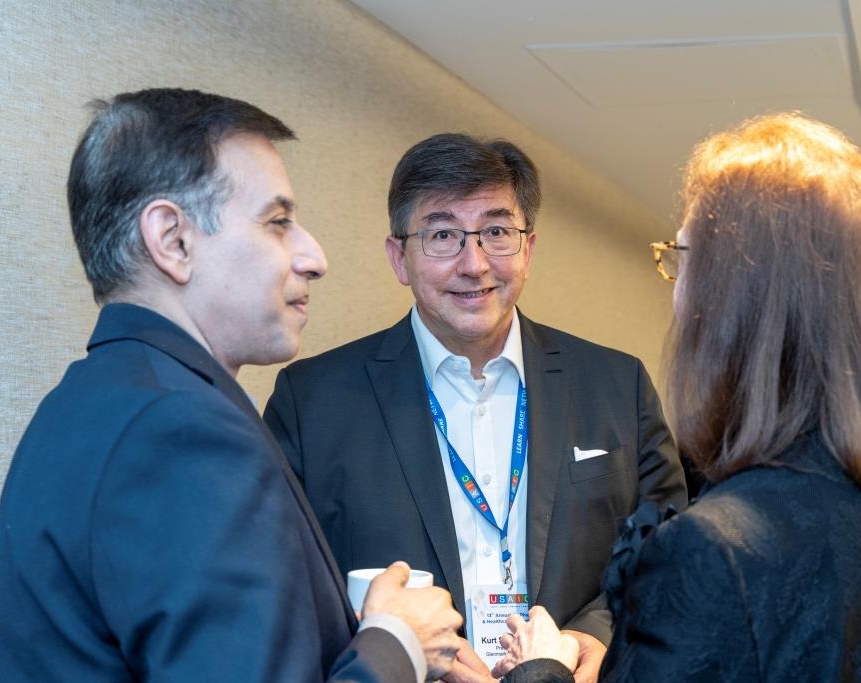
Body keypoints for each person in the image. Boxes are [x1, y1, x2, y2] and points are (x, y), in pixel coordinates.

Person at [494, 112, 861, 681]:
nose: (675, 291)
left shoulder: (713, 552)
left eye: (683, 257)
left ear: (734, 301)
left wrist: (542, 669)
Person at [0, 88, 464, 682]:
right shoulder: (180, 432)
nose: (314, 257)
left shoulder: (84, 404)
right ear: (173, 240)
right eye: (278, 222)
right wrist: (398, 645)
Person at [263, 133, 688, 682]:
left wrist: (592, 637)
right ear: (399, 257)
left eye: (497, 232)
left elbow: (667, 550)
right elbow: (285, 581)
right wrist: (407, 649)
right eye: (443, 235)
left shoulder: (616, 384)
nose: (475, 263)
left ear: (528, 249)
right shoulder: (312, 401)